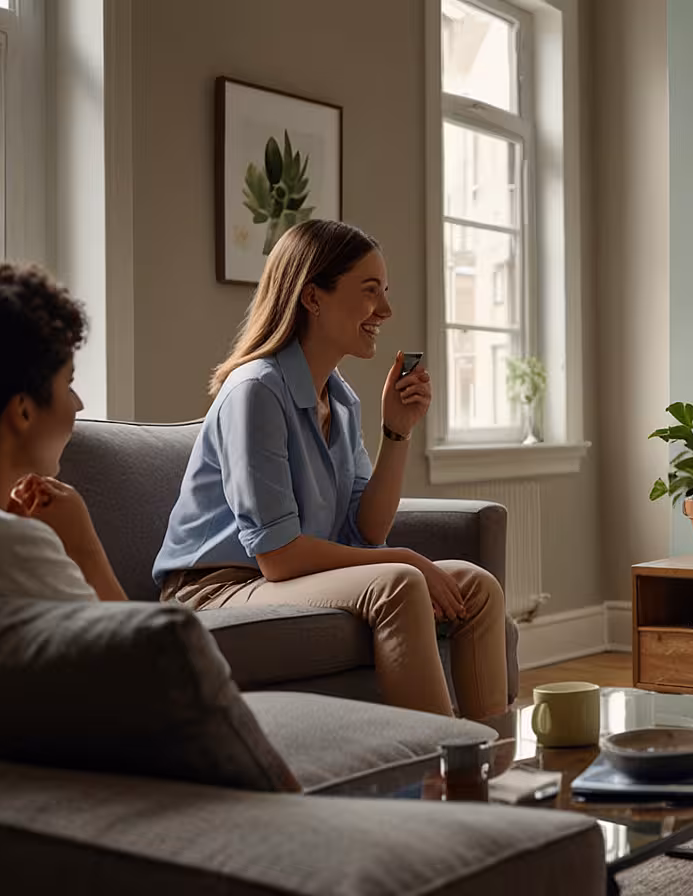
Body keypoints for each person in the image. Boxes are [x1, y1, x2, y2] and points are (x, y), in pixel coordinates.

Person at [152, 220, 507, 719]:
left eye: (385, 293)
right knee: (399, 581)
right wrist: (406, 558)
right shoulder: (255, 391)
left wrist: (397, 431)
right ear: (313, 298)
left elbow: (368, 528)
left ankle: (485, 768)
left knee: (475, 586)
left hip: (276, 578)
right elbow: (278, 556)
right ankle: (436, 774)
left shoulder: (340, 400)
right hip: (217, 588)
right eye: (369, 293)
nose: (385, 310)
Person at [0, 262, 127, 603]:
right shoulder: (15, 546)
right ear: (23, 411)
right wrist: (85, 549)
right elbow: (148, 650)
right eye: (68, 385)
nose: (78, 404)